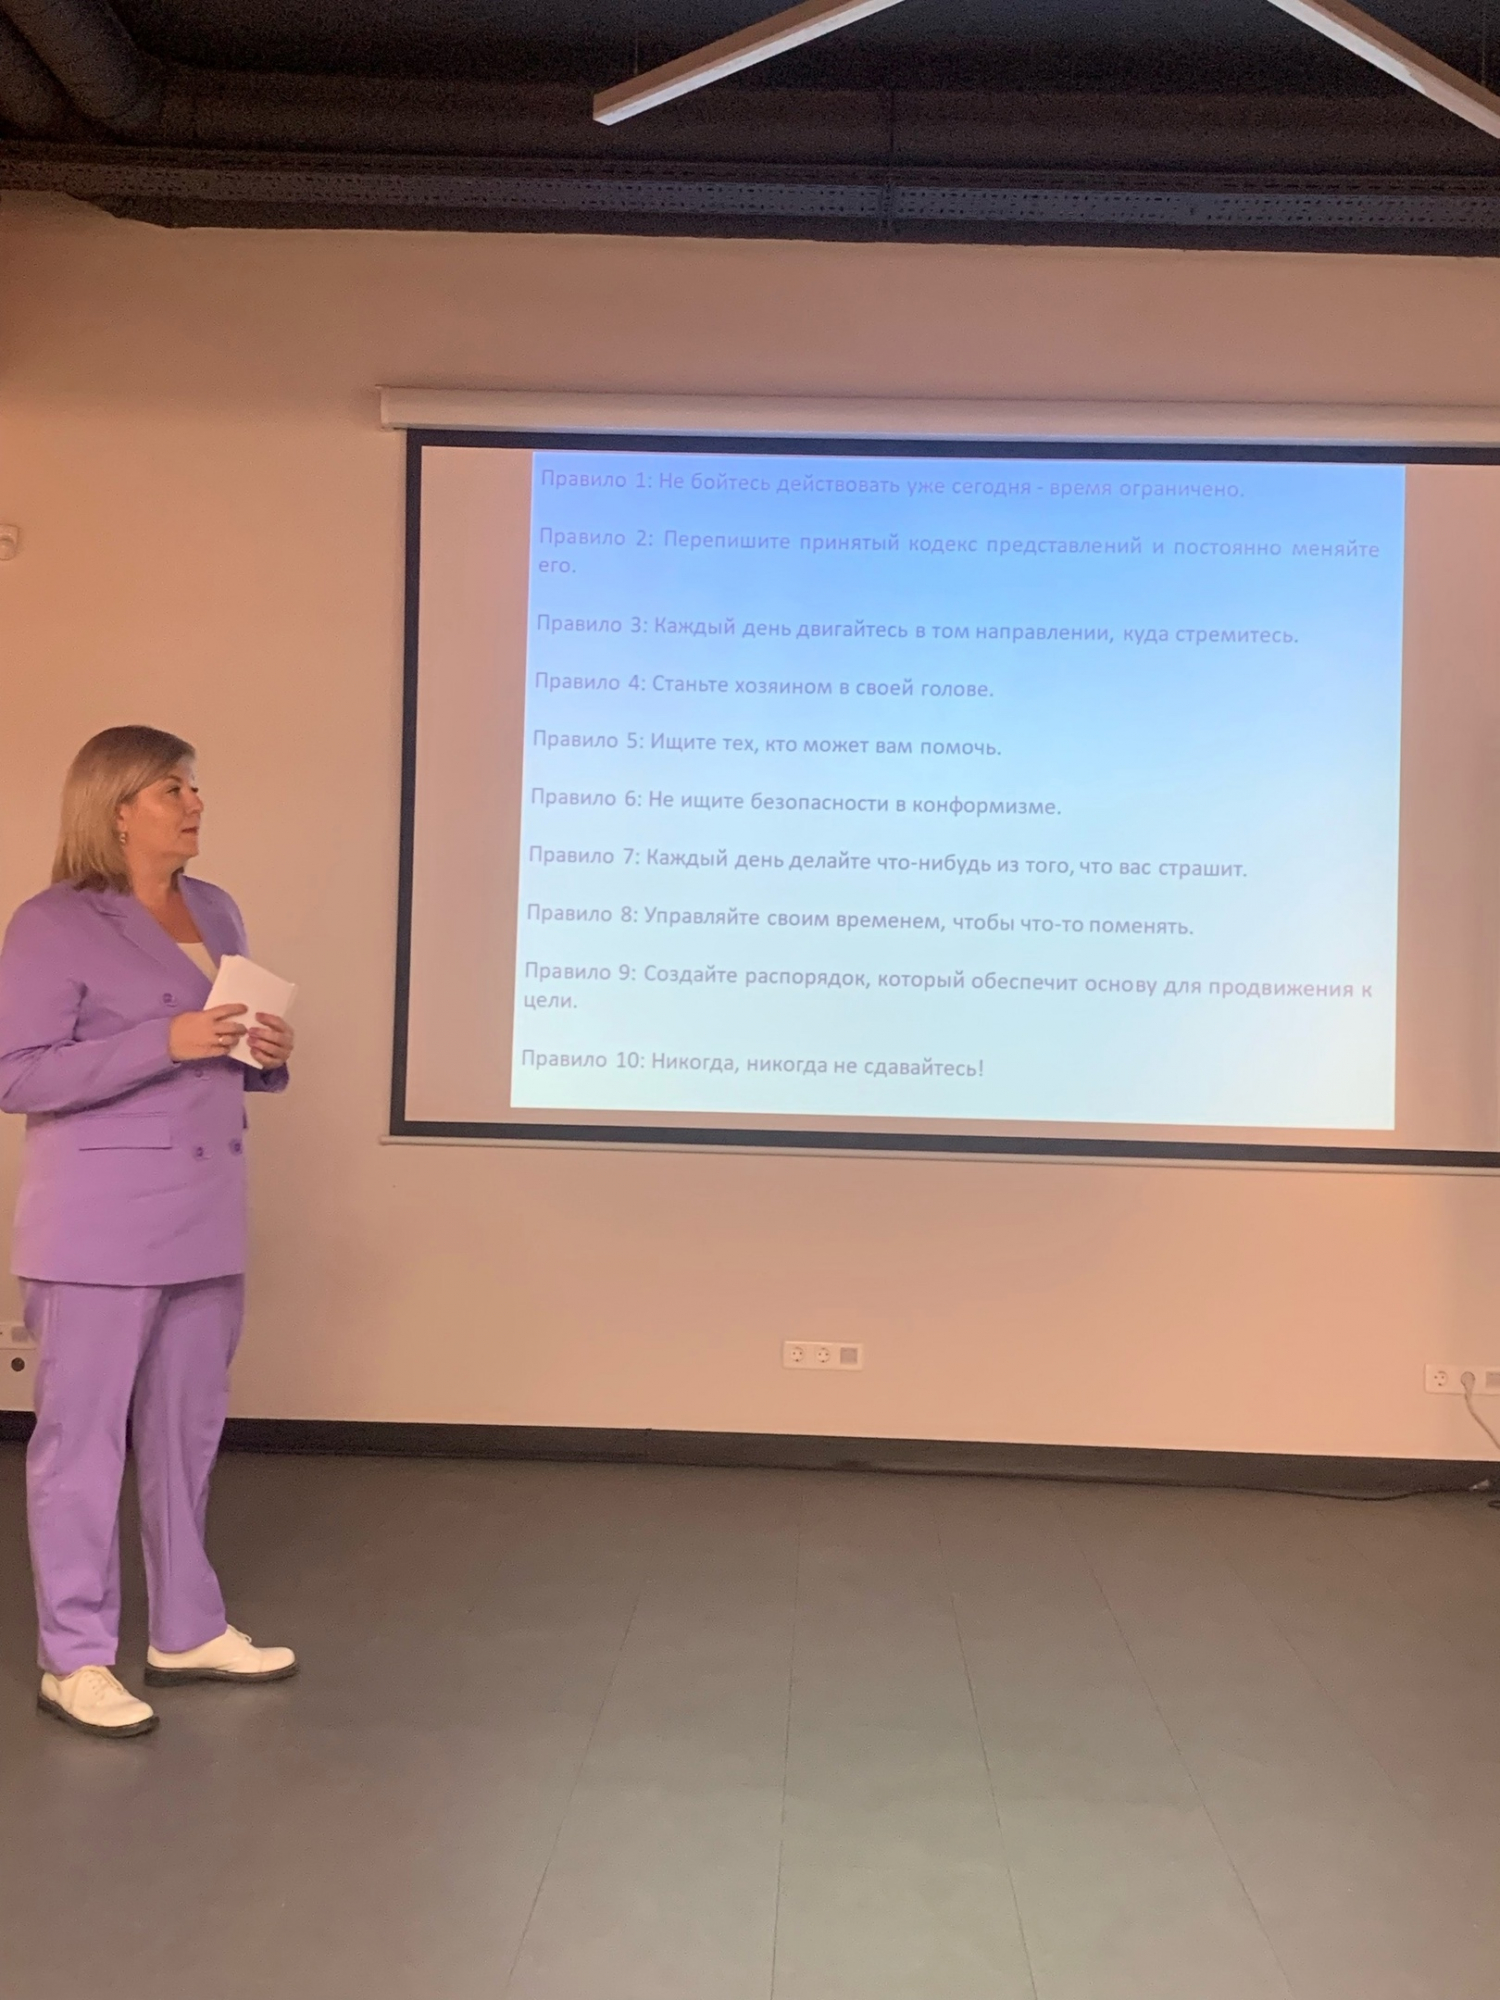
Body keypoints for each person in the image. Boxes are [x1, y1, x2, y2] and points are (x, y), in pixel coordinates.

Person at [0, 726, 297, 1738]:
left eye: (194, 786)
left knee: (187, 1431)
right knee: (81, 1445)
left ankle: (186, 1626)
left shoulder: (216, 909)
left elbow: (222, 1052)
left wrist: (265, 1053)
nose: (195, 802)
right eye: (174, 787)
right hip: (96, 1227)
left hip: (204, 1212)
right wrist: (161, 1041)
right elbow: (16, 1073)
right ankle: (74, 1656)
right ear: (118, 806)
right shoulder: (51, 921)